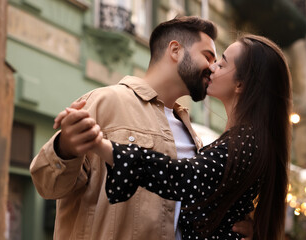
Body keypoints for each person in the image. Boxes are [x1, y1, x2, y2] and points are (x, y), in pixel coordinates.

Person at [30, 16, 253, 240]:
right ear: (175, 50)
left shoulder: (191, 133)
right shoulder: (106, 101)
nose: (213, 67)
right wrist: (65, 147)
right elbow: (47, 185)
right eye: (208, 56)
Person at [88, 34, 292, 240]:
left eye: (221, 64)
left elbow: (182, 177)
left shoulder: (246, 142)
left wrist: (102, 146)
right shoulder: (248, 139)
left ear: (240, 85)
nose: (212, 67)